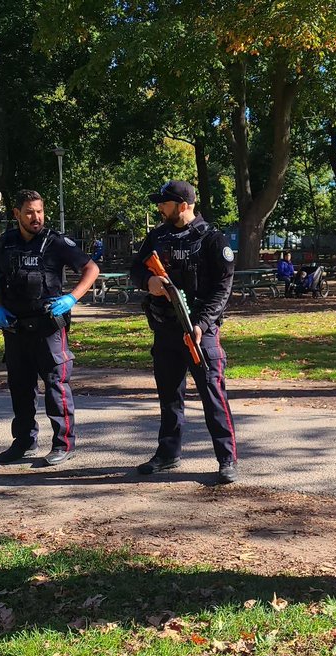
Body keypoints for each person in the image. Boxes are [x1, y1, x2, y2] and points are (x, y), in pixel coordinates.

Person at [130, 180, 238, 484]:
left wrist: (201, 325)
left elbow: (223, 288)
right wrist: (147, 283)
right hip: (164, 329)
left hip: (200, 332)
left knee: (213, 395)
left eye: (164, 203)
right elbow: (136, 269)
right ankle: (168, 453)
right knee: (169, 396)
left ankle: (226, 458)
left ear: (183, 206)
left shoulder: (213, 239)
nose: (160, 208)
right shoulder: (157, 236)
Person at [0, 189, 100, 467]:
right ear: (16, 214)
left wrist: (72, 298)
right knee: (20, 387)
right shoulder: (5, 243)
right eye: (29, 212)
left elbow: (91, 269)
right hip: (14, 328)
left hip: (48, 328)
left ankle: (64, 444)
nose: (36, 217)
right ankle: (24, 443)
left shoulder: (56, 242)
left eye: (39, 211)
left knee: (55, 387)